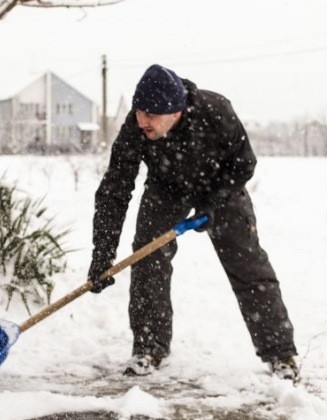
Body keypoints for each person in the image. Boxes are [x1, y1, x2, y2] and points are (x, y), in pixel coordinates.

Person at [87, 64, 299, 381]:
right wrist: (102, 253)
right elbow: (115, 189)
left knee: (248, 265)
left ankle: (281, 354)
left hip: (221, 186)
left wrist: (214, 201)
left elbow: (244, 164)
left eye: (150, 113)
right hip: (166, 188)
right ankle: (148, 347)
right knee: (147, 257)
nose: (142, 120)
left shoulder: (216, 111)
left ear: (175, 111)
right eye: (138, 111)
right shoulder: (135, 128)